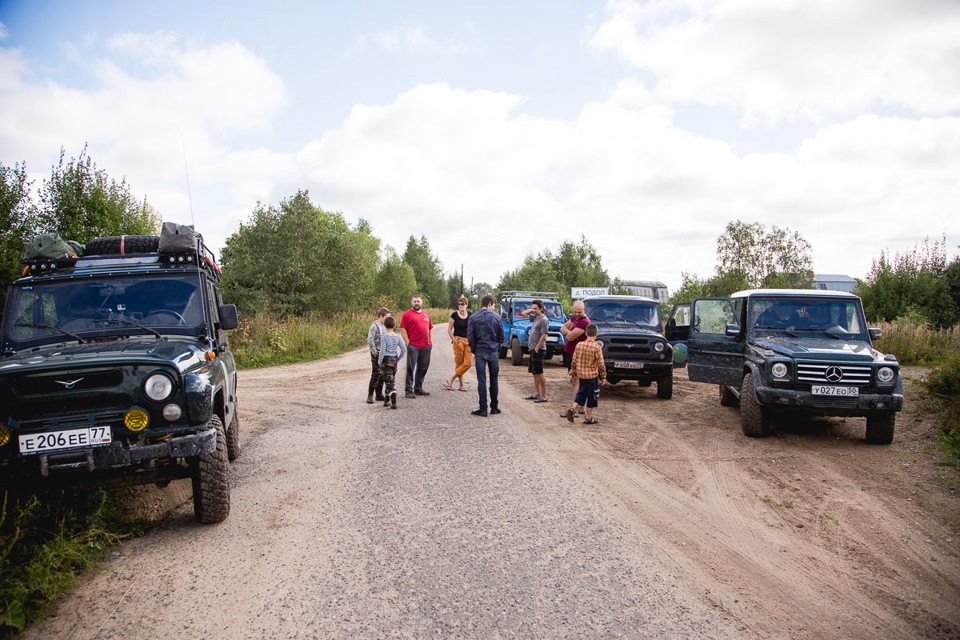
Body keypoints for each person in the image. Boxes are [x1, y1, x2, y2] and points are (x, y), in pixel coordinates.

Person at [466, 293, 505, 417]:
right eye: (493, 305)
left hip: (480, 351)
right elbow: (501, 336)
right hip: (493, 351)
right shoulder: (497, 318)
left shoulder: (473, 318)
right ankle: (494, 407)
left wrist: (474, 349)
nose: (493, 308)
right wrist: (497, 347)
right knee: (494, 380)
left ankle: (483, 408)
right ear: (489, 304)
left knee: (481, 380)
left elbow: (470, 336)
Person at [565, 323, 606, 425]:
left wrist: (572, 372)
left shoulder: (579, 345)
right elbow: (601, 364)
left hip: (581, 375)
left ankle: (573, 408)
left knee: (581, 393)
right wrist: (603, 376)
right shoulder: (597, 347)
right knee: (592, 396)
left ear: (586, 333)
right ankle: (589, 417)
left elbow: (574, 361)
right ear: (596, 334)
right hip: (592, 376)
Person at [399, 295, 434, 399]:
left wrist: (430, 341)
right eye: (414, 301)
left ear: (421, 302)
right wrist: (407, 342)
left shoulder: (426, 314)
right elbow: (402, 328)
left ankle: (418, 388)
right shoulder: (407, 314)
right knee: (411, 368)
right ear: (412, 303)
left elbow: (429, 328)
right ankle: (408, 390)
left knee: (423, 368)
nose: (416, 303)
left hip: (426, 346)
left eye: (418, 301)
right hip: (413, 345)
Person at [560, 300, 591, 412]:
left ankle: (575, 409)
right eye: (575, 312)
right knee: (574, 380)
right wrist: (569, 331)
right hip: (570, 352)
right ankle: (580, 406)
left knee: (576, 381)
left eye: (579, 312)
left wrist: (568, 332)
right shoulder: (574, 317)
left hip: (578, 355)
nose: (577, 314)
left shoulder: (584, 322)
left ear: (584, 310)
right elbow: (562, 327)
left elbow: (570, 337)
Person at [520, 299, 549, 402]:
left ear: (541, 308)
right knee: (534, 372)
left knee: (539, 372)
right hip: (532, 349)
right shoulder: (535, 318)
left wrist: (537, 347)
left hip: (539, 350)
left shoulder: (544, 320)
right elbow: (523, 313)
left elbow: (544, 336)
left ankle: (544, 395)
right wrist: (532, 310)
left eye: (536, 308)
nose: (534, 310)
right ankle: (536, 393)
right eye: (533, 308)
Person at [443, 296, 472, 391]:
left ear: (466, 305)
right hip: (458, 340)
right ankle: (461, 385)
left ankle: (451, 379)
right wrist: (454, 340)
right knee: (459, 363)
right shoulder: (454, 315)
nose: (460, 306)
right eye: (459, 304)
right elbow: (449, 329)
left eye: (462, 304)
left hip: (468, 341)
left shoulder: (471, 315)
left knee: (468, 363)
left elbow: (473, 329)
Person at [378, 315, 406, 409]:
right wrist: (398, 358)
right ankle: (386, 400)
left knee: (389, 382)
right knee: (390, 379)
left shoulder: (384, 336)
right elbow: (403, 349)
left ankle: (393, 400)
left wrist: (379, 361)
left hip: (386, 360)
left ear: (385, 325)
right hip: (394, 360)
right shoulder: (397, 337)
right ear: (394, 325)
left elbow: (382, 350)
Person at [366, 307, 390, 404]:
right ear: (381, 316)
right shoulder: (374, 326)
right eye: (387, 317)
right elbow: (370, 339)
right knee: (376, 373)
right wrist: (375, 352)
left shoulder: (386, 326)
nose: (388, 319)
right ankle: (370, 395)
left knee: (382, 374)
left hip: (384, 353)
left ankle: (379, 394)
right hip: (377, 352)